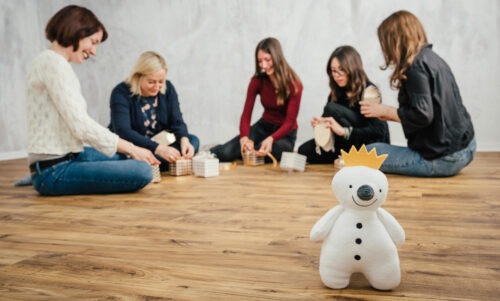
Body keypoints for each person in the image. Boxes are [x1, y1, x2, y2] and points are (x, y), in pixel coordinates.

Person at [26, 5, 159, 196]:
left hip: (70, 154)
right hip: (53, 169)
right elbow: (81, 126)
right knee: (141, 170)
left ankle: (34, 176)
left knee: (124, 156)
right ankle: (38, 178)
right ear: (77, 32)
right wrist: (132, 147)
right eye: (93, 42)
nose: (94, 51)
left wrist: (131, 150)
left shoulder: (55, 63)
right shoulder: (52, 63)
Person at [361, 10, 476, 177]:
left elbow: (423, 114)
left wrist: (386, 111)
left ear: (395, 40)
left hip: (444, 158)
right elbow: (432, 110)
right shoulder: (433, 58)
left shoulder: (415, 67)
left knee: (370, 152)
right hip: (468, 147)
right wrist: (392, 115)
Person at [210, 37, 303, 162]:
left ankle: (249, 152)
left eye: (267, 60)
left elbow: (289, 122)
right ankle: (209, 152)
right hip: (263, 126)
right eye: (260, 61)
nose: (263, 65)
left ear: (277, 57)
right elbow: (246, 115)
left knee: (271, 151)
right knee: (227, 153)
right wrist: (244, 139)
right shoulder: (257, 81)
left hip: (285, 134)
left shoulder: (294, 84)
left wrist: (271, 139)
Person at [109, 51, 199, 171]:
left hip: (160, 144)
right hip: (133, 146)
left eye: (161, 81)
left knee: (193, 140)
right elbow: (123, 130)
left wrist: (184, 139)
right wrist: (158, 149)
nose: (157, 87)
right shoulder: (121, 92)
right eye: (151, 82)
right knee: (115, 154)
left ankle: (145, 164)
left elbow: (177, 120)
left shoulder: (168, 88)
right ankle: (153, 162)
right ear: (138, 77)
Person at [298, 46, 390, 164]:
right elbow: (330, 123)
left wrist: (344, 131)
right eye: (333, 70)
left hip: (368, 143)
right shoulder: (336, 91)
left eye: (341, 70)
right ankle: (346, 157)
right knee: (303, 151)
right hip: (346, 141)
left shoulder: (369, 91)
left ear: (353, 68)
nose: (336, 75)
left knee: (332, 109)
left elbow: (379, 130)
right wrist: (320, 124)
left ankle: (349, 157)